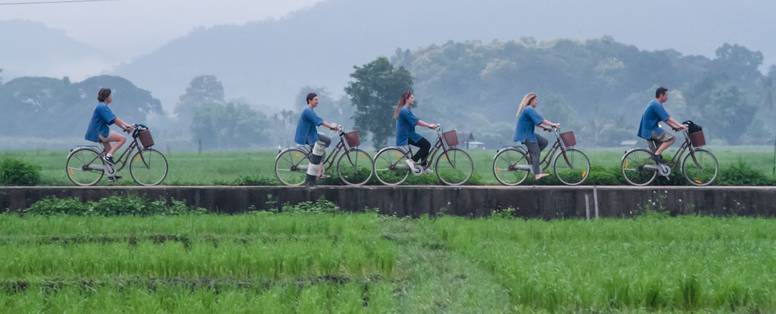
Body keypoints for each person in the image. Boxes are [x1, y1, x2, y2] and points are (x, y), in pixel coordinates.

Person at [84, 88, 134, 181]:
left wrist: (127, 125)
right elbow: (114, 120)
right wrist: (124, 127)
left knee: (109, 150)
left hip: (100, 131)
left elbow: (115, 118)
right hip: (100, 132)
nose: (111, 97)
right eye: (110, 95)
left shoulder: (103, 106)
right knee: (122, 139)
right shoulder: (102, 107)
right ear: (106, 97)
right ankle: (108, 156)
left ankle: (111, 175)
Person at [295, 92, 340, 186]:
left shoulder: (310, 110)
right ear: (309, 100)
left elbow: (319, 120)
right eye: (315, 100)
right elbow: (319, 121)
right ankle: (319, 172)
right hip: (307, 136)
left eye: (317, 100)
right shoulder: (307, 111)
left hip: (312, 134)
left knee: (327, 140)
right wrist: (331, 126)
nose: (317, 102)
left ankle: (319, 164)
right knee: (321, 151)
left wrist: (331, 126)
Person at [514, 92, 560, 181]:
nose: (537, 102)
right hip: (526, 135)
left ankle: (533, 162)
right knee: (536, 153)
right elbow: (541, 121)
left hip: (529, 134)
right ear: (531, 101)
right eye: (535, 100)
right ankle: (537, 174)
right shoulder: (528, 109)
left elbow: (538, 121)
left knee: (544, 142)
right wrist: (553, 125)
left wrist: (547, 127)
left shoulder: (529, 110)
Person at [637, 87, 688, 164]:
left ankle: (659, 170)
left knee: (659, 152)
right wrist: (681, 125)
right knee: (672, 139)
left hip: (648, 130)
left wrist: (675, 127)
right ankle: (656, 155)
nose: (667, 97)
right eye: (666, 95)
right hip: (651, 130)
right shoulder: (656, 105)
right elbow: (669, 118)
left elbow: (665, 120)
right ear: (661, 95)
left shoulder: (654, 103)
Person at [393, 90, 438, 174]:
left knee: (425, 145)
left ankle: (423, 167)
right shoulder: (405, 110)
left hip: (409, 134)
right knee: (426, 144)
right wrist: (429, 125)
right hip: (406, 135)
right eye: (412, 97)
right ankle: (412, 162)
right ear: (407, 99)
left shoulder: (406, 110)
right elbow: (417, 121)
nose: (413, 99)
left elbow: (417, 120)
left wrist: (429, 126)